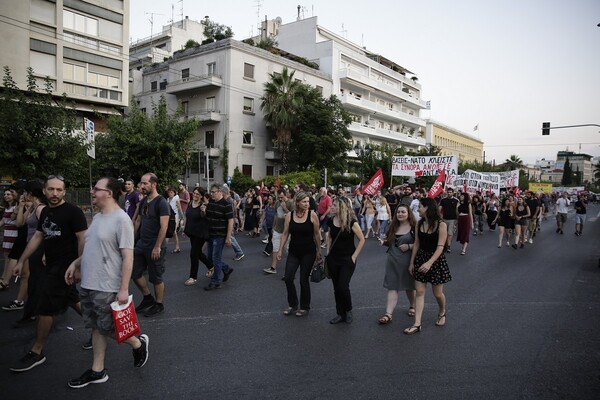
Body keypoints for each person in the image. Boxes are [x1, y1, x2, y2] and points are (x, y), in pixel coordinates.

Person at [64, 177, 149, 388]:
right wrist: (75, 263)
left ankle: (138, 343)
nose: (92, 192)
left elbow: (128, 257)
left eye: (96, 189)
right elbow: (94, 249)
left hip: (107, 285)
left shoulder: (122, 220)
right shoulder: (99, 217)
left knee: (106, 327)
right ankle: (98, 370)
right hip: (89, 283)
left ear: (108, 193)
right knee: (96, 327)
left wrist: (123, 289)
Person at [10, 175, 87, 372]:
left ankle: (37, 351)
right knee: (72, 299)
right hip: (51, 265)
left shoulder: (73, 212)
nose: (55, 193)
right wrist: (21, 260)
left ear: (64, 191)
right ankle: (101, 329)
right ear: (44, 190)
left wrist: (78, 267)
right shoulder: (45, 213)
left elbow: (82, 240)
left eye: (59, 190)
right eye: (51, 189)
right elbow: (38, 236)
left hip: (64, 268)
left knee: (44, 307)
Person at [404, 197, 451, 335]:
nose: (417, 209)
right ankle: (417, 324)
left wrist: (429, 263)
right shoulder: (419, 223)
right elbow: (417, 243)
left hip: (435, 260)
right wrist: (412, 262)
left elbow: (440, 247)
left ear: (427, 208)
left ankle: (442, 312)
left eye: (420, 206)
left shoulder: (441, 225)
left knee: (437, 293)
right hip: (421, 258)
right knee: (419, 292)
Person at [277, 191, 321, 317]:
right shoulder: (289, 216)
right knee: (288, 277)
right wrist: (280, 249)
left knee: (303, 279)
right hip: (294, 252)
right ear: (297, 203)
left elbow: (317, 234)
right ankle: (293, 304)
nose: (307, 204)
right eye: (304, 202)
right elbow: (285, 233)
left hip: (309, 252)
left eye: (308, 201)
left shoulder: (312, 215)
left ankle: (305, 306)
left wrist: (318, 251)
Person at [131, 173, 169, 317]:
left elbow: (163, 227)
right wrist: (132, 242)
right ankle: (148, 298)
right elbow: (138, 221)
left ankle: (159, 304)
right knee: (134, 272)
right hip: (141, 244)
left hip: (155, 246)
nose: (142, 186)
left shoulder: (161, 202)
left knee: (156, 277)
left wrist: (157, 246)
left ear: (154, 184)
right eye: (141, 183)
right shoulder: (144, 201)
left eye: (145, 183)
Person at [326, 196, 365, 324]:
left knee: (343, 286)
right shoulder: (331, 220)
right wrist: (327, 253)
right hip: (333, 258)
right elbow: (329, 236)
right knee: (336, 287)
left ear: (341, 207)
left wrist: (354, 257)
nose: (331, 207)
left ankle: (348, 310)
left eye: (334, 205)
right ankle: (340, 313)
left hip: (347, 259)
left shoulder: (351, 222)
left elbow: (362, 239)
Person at [378, 204, 416, 325]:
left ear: (408, 213)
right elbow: (390, 243)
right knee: (392, 286)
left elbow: (422, 244)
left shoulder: (414, 227)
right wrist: (384, 242)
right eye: (398, 212)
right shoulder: (393, 227)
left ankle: (412, 305)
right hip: (393, 260)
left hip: (408, 262)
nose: (400, 214)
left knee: (409, 287)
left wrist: (410, 246)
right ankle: (388, 314)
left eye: (403, 212)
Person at [204, 184, 234, 291]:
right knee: (210, 258)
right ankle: (226, 268)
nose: (211, 194)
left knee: (215, 258)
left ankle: (215, 281)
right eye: (211, 192)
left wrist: (228, 237)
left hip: (220, 235)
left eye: (213, 192)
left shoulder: (226, 204)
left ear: (220, 192)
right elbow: (207, 217)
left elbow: (231, 221)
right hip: (210, 235)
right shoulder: (211, 202)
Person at [183, 187, 214, 285]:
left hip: (200, 234)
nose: (195, 195)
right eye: (194, 193)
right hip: (191, 232)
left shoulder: (203, 205)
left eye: (198, 194)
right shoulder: (190, 203)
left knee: (193, 254)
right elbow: (187, 216)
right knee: (198, 253)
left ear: (201, 196)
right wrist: (184, 229)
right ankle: (212, 267)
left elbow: (206, 217)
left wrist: (204, 211)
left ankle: (193, 277)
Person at [263, 189, 292, 274]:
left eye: (282, 197)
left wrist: (285, 208)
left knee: (288, 249)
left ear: (286, 195)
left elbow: (293, 215)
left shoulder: (290, 203)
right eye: (279, 197)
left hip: (287, 231)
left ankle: (290, 270)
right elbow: (276, 215)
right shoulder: (277, 203)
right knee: (275, 248)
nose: (280, 199)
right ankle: (273, 267)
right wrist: (273, 226)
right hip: (277, 229)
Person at [1, 187, 18, 289]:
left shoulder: (16, 207)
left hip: (13, 232)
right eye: (5, 194)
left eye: (8, 194)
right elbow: (3, 221)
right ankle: (4, 277)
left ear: (13, 196)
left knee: (10, 257)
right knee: (6, 257)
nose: (6, 196)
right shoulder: (7, 208)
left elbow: (13, 219)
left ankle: (5, 279)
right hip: (7, 232)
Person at [439, 188, 458, 252]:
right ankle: (444, 245)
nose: (449, 193)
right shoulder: (443, 200)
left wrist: (457, 219)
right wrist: (439, 217)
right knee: (444, 233)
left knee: (450, 233)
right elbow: (440, 208)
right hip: (444, 218)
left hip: (452, 219)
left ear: (453, 193)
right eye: (448, 192)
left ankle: (448, 246)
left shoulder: (456, 200)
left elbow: (457, 210)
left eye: (450, 192)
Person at [166, 186, 184, 253]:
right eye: (169, 192)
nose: (170, 194)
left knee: (173, 232)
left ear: (174, 193)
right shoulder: (167, 200)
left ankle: (176, 247)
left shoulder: (176, 199)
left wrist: (182, 218)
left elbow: (180, 209)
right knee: (171, 232)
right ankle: (176, 247)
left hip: (175, 217)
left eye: (171, 192)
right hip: (169, 218)